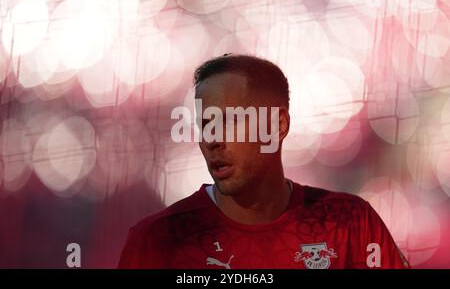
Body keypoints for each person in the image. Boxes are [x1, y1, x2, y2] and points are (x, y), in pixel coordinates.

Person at [118, 54, 409, 269]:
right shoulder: (157, 240)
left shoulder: (351, 224)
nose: (212, 140)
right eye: (205, 124)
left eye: (229, 121)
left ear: (278, 125)